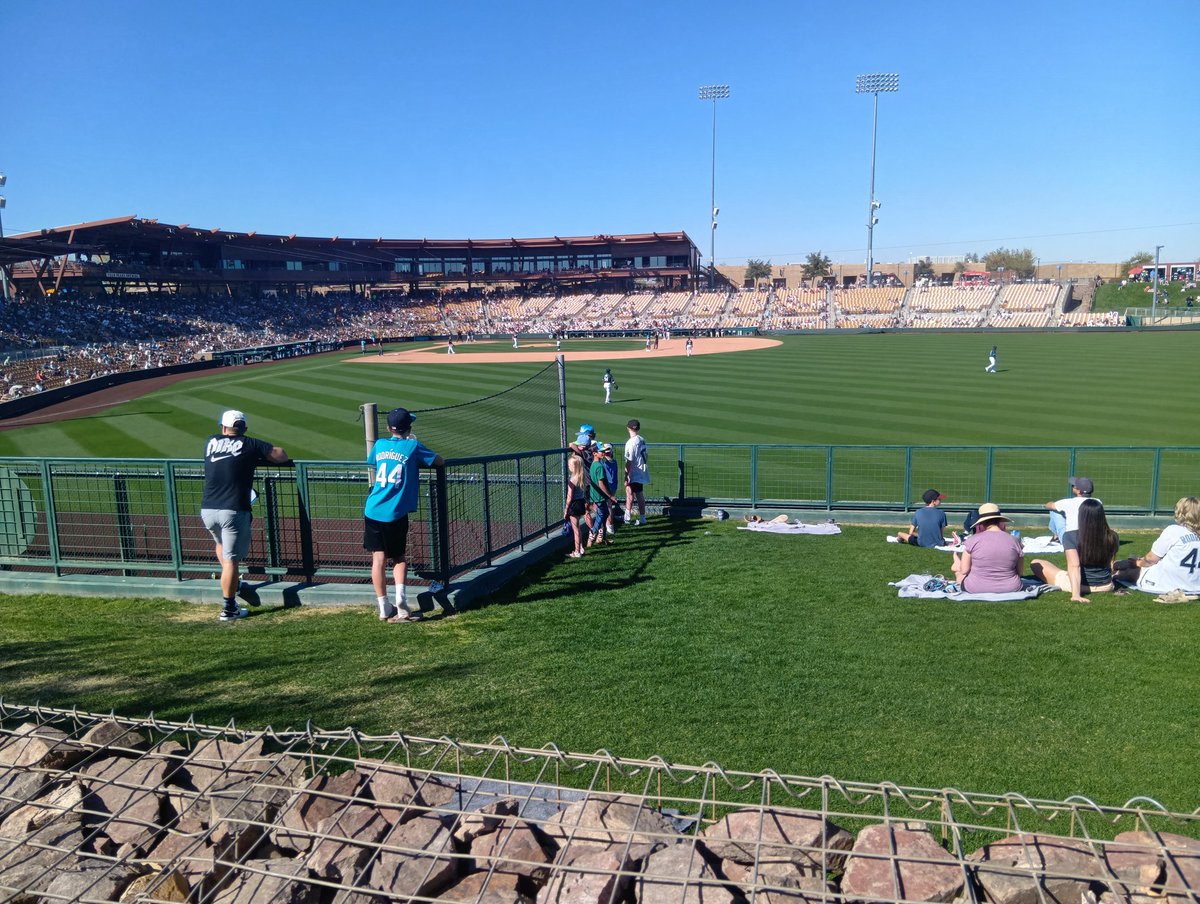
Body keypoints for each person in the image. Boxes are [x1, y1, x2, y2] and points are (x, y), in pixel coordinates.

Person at [200, 410, 291, 621]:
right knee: (231, 561)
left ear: (223, 427)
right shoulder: (250, 444)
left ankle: (235, 585)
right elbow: (280, 455)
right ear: (244, 429)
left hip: (208, 509)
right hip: (233, 509)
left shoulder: (210, 441)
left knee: (222, 547)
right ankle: (229, 608)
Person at [364, 407, 444, 622]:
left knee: (378, 559)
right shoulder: (413, 445)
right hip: (395, 513)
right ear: (409, 427)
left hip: (372, 509)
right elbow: (439, 461)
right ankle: (400, 601)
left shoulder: (380, 444)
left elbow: (374, 461)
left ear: (389, 427)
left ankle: (383, 606)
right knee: (398, 558)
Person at [1031, 498, 1118, 602]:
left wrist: (1075, 595)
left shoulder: (1071, 535)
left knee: (1035, 563)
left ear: (1081, 515)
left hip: (1082, 586)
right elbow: (1110, 563)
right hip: (1106, 585)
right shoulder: (1113, 536)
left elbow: (1074, 566)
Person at [1113, 496, 1200, 595]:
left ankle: (1101, 580)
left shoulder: (1174, 530)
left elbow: (1150, 559)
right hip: (1194, 585)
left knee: (1127, 571)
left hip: (1166, 584)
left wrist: (1135, 563)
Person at [951, 503, 1024, 593]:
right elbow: (1020, 572)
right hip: (1011, 587)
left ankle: (957, 564)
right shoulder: (1015, 541)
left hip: (976, 587)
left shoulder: (972, 541)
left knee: (960, 575)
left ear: (981, 523)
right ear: (1000, 521)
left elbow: (964, 570)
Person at [1045, 477, 1099, 546]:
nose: (1072, 487)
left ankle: (1056, 536)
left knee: (1054, 511)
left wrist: (1050, 504)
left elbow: (1049, 505)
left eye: (1073, 486)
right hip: (1092, 539)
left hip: (1071, 541)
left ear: (1078, 491)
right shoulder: (1098, 502)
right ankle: (1056, 537)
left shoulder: (1068, 503)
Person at [587, 443, 619, 547]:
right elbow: (601, 483)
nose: (604, 453)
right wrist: (610, 496)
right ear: (595, 453)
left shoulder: (593, 464)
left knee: (604, 515)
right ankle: (592, 535)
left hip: (595, 495)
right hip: (600, 496)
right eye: (601, 451)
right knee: (601, 515)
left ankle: (603, 538)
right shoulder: (600, 466)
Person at [623, 418, 650, 526]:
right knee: (639, 494)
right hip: (641, 471)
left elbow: (629, 461)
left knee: (630, 494)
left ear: (628, 428)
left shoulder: (630, 443)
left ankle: (628, 518)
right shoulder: (642, 439)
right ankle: (641, 518)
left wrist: (626, 476)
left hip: (634, 472)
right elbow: (646, 455)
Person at [563, 455, 589, 558]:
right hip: (581, 502)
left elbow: (569, 497)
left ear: (574, 467)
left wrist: (566, 509)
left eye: (570, 465)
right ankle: (581, 547)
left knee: (576, 529)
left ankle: (577, 551)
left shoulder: (572, 480)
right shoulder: (581, 476)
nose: (568, 466)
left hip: (574, 504)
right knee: (578, 527)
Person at [600, 442, 620, 534]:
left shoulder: (604, 463)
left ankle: (610, 527)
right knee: (609, 506)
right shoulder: (614, 462)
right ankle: (609, 525)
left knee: (608, 507)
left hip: (608, 486)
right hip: (613, 486)